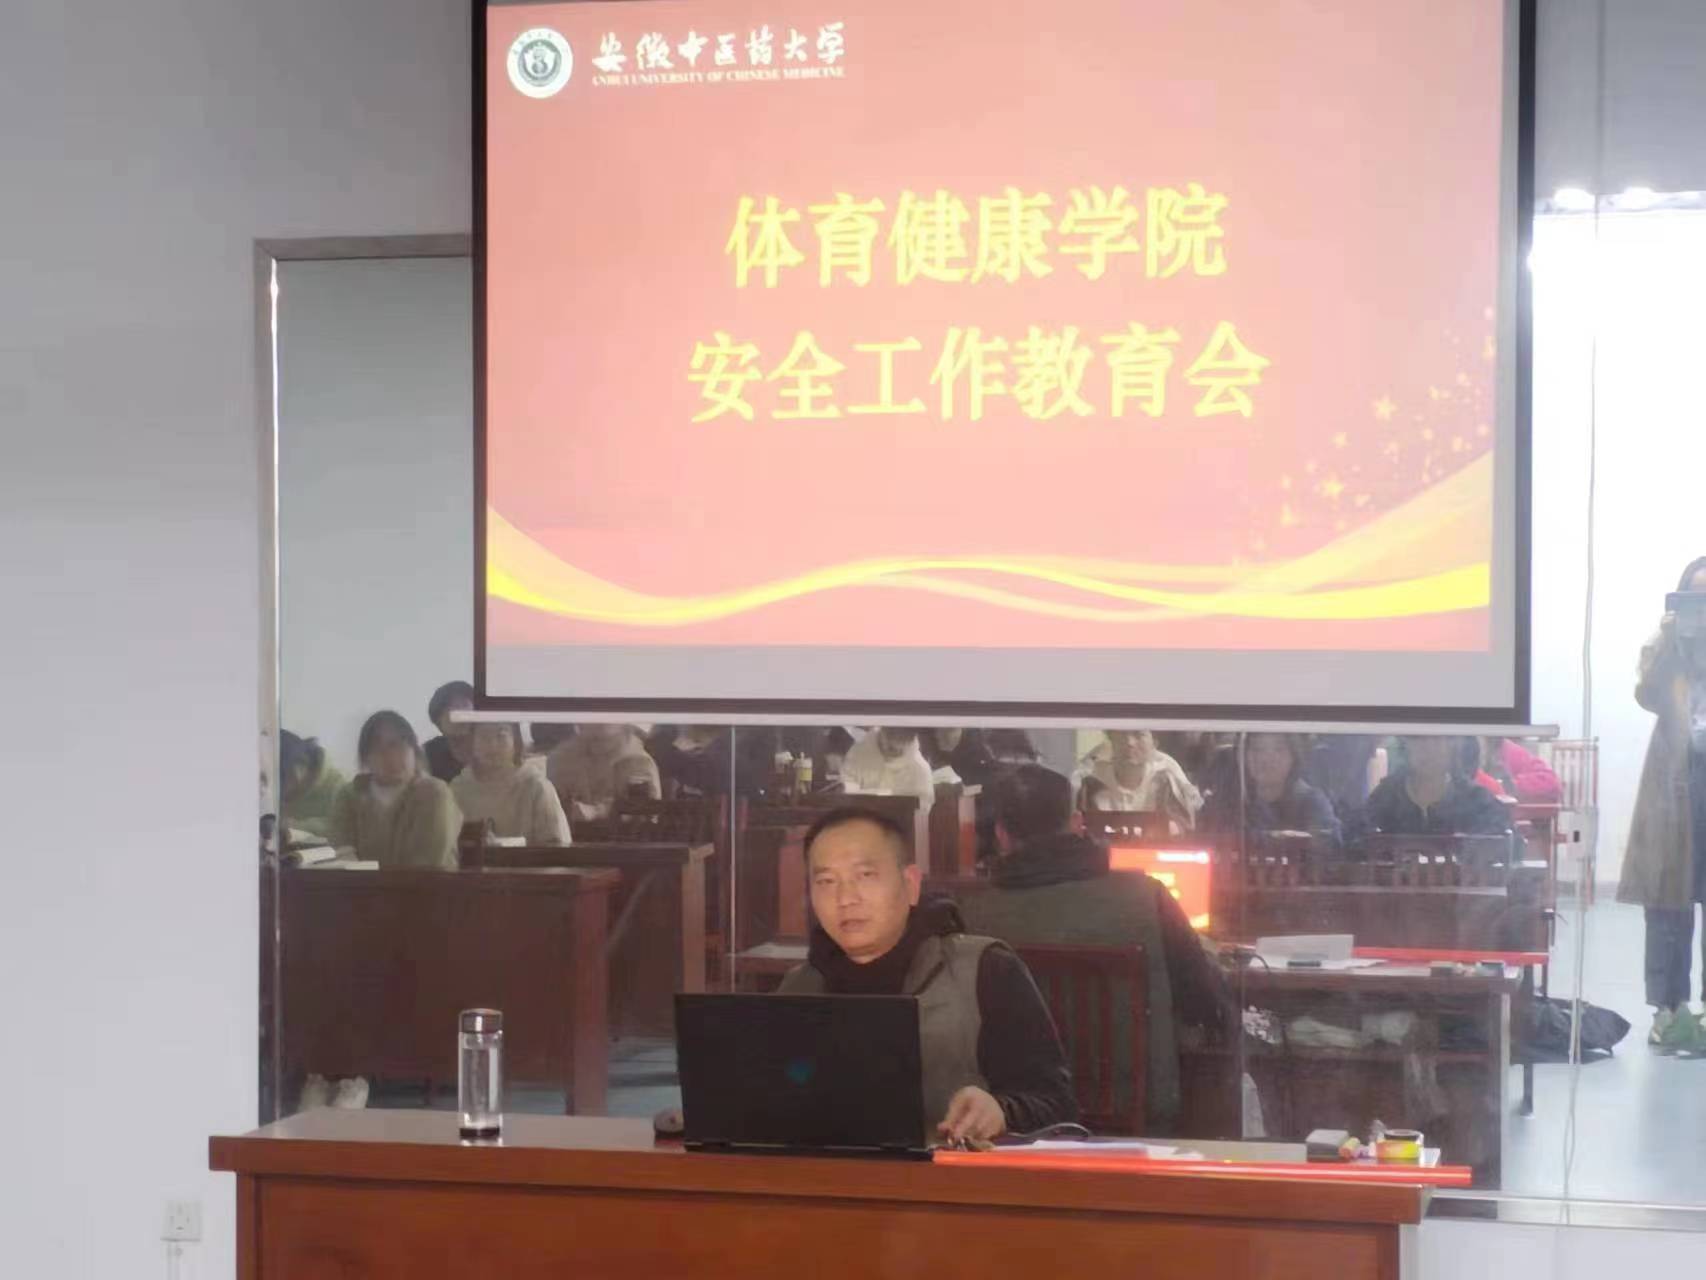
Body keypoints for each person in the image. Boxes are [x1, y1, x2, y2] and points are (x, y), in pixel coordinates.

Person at [778, 808, 1077, 1142]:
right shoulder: (799, 987)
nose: (846, 898)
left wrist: (1002, 1112)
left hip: (955, 1171)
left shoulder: (985, 970)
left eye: (865, 875)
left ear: (910, 884)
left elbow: (1057, 1106)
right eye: (826, 882)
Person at [959, 765, 1230, 1132]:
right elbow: (1203, 1001)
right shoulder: (1147, 898)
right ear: (1076, 823)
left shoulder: (971, 916)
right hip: (1136, 1122)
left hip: (1013, 1122)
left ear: (1002, 835)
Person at [1618, 556, 1706, 1049]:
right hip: (1673, 780)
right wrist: (1672, 638)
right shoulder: (1666, 646)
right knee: (1667, 900)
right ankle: (1667, 1008)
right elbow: (1648, 695)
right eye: (1695, 596)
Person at [327, 710, 460, 869]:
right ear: (366, 758)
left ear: (414, 751)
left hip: (426, 884)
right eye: (378, 747)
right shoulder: (349, 795)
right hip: (362, 884)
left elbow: (427, 863)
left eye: (397, 744)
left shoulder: (435, 793)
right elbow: (341, 852)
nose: (391, 755)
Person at [1202, 734, 1343, 853]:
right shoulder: (1225, 801)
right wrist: (1278, 839)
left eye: (1279, 749)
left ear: (1293, 757)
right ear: (1242, 757)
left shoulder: (1311, 800)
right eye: (1257, 749)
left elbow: (1331, 841)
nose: (1266, 758)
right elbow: (1209, 839)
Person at [1361, 735, 1513, 837]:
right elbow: (1359, 843)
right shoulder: (1385, 797)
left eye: (1438, 740)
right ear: (1405, 745)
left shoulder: (1478, 801)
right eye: (1419, 739)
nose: (1428, 749)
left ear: (1453, 747)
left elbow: (1510, 850)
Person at [453, 722, 572, 845]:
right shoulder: (458, 788)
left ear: (516, 741)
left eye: (501, 736)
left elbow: (557, 845)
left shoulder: (536, 787)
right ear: (471, 743)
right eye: (484, 736)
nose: (493, 745)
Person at [1083, 730, 1202, 832]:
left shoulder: (1166, 782)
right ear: (1111, 738)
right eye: (1122, 734)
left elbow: (1182, 832)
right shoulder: (1091, 784)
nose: (1129, 743)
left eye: (1139, 735)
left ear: (1154, 743)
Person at [546, 724, 662, 822]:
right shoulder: (561, 758)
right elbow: (548, 808)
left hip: (618, 839)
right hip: (567, 838)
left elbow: (643, 816)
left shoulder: (638, 762)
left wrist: (599, 812)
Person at [839, 727, 936, 813]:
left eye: (896, 749)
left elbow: (922, 811)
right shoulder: (858, 754)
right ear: (882, 731)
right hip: (861, 820)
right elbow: (847, 794)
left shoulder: (921, 771)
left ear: (910, 740)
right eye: (891, 734)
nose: (892, 748)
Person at [279, 730, 347, 841]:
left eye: (282, 777)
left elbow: (343, 828)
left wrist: (294, 825)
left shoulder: (340, 785)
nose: (280, 788)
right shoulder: (286, 787)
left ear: (301, 764)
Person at [422, 681, 475, 784]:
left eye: (465, 705)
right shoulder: (428, 753)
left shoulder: (493, 743)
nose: (461, 714)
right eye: (453, 708)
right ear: (438, 722)